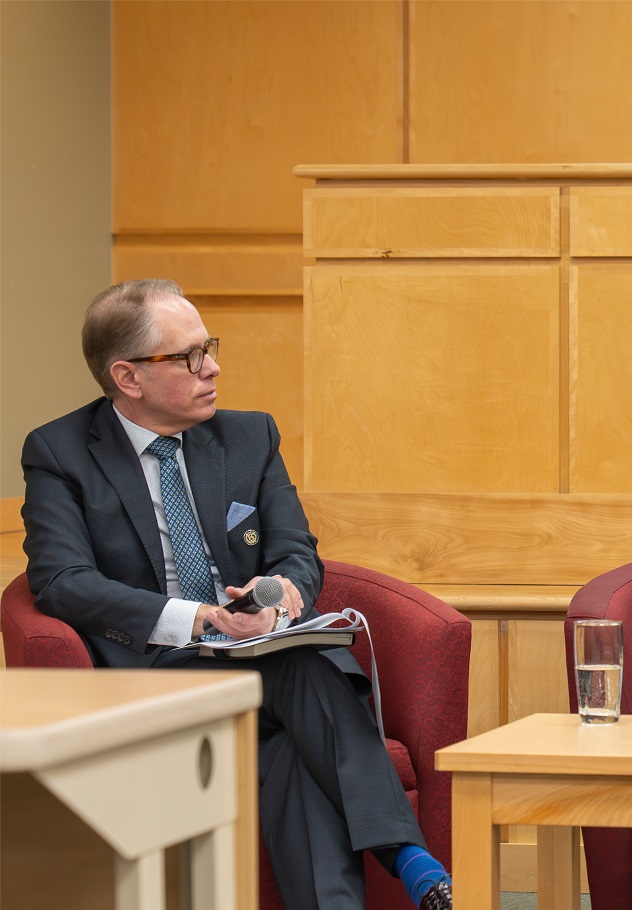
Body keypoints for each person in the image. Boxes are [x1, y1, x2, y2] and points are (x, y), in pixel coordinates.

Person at [20, 279, 453, 910]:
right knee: (300, 680)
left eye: (209, 347)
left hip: (262, 660)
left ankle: (389, 869)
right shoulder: (59, 453)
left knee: (290, 736)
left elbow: (297, 552)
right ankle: (404, 853)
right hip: (157, 673)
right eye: (189, 356)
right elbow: (61, 582)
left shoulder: (249, 436)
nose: (213, 367)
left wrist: (278, 597)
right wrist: (199, 618)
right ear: (128, 377)